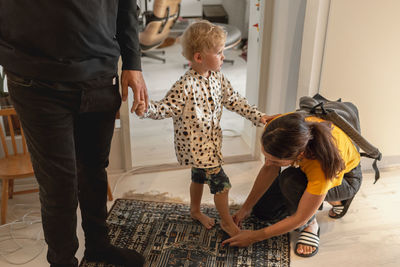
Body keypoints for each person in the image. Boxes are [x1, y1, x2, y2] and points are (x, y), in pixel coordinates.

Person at [0, 1, 148, 266]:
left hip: (101, 77)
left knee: (94, 171)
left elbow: (126, 4)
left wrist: (133, 62)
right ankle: (62, 261)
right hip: (36, 81)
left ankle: (98, 246)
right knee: (59, 185)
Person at [135, 20, 274, 237]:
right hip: (196, 146)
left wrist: (260, 117)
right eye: (219, 53)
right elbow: (164, 108)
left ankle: (195, 210)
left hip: (212, 141)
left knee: (198, 177)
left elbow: (235, 100)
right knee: (222, 184)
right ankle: (227, 223)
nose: (223, 57)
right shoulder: (185, 85)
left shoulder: (218, 77)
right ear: (199, 57)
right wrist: (146, 109)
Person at [222, 112, 362, 257]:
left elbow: (299, 218)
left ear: (300, 155)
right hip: (310, 169)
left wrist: (253, 237)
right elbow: (269, 169)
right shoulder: (275, 130)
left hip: (348, 179)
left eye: (275, 161)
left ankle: (312, 224)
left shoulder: (321, 168)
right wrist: (245, 208)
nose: (268, 163)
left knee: (289, 181)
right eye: (266, 157)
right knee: (262, 212)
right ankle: (318, 199)